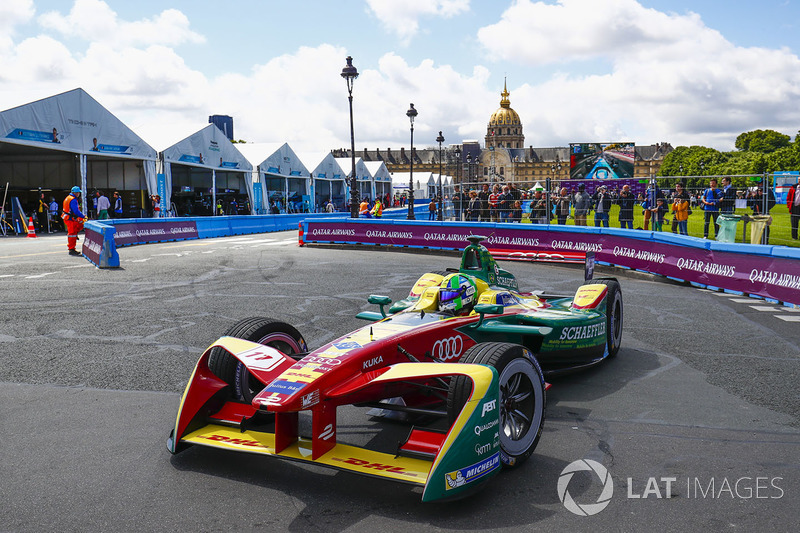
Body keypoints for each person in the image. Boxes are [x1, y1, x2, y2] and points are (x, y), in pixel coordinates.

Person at [62, 186, 85, 256]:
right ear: (76, 193)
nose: (79, 194)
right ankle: (71, 249)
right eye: (78, 193)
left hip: (67, 218)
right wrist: (83, 216)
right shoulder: (73, 200)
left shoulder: (68, 198)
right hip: (70, 219)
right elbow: (76, 211)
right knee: (72, 234)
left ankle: (72, 246)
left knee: (74, 230)